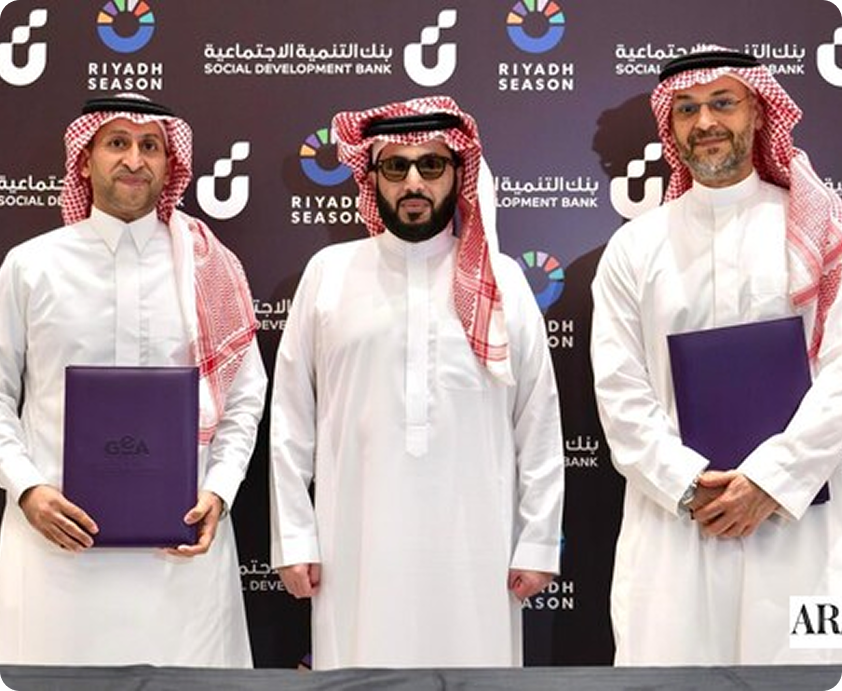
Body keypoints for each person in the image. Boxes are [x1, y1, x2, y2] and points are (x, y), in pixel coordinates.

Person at [269, 95, 564, 669]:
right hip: (355, 547)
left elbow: (538, 421)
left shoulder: (502, 281)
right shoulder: (329, 275)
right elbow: (290, 421)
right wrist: (295, 538)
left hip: (477, 548)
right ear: (372, 176)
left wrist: (537, 541)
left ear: (458, 172)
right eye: (395, 166)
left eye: (430, 165)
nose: (413, 182)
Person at [591, 46, 842, 665]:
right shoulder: (634, 249)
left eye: (723, 103)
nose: (705, 122)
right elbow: (621, 393)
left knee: (803, 675)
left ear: (758, 112)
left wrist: (770, 480)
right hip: (676, 530)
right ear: (670, 125)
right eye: (687, 108)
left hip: (800, 527)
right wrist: (686, 484)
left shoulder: (820, 231)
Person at [0, 94, 267, 666]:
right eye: (117, 143)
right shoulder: (31, 265)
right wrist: (26, 489)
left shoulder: (208, 267)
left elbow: (245, 397)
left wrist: (219, 490)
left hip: (181, 550)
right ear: (85, 159)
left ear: (171, 164)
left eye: (151, 146)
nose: (134, 160)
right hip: (55, 549)